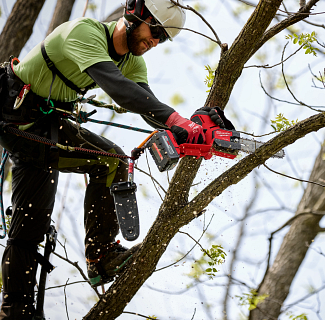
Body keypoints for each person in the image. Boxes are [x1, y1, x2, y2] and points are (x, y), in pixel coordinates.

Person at [0, 0, 226, 318]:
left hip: (44, 131)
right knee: (110, 161)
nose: (155, 41)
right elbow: (120, 90)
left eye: (162, 38)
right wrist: (177, 121)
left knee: (27, 233)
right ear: (136, 14)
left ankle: (14, 312)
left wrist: (192, 127)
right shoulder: (84, 33)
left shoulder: (133, 63)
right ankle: (102, 256)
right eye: (155, 31)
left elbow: (147, 104)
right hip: (21, 117)